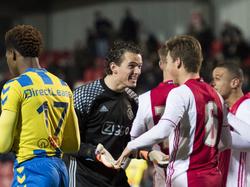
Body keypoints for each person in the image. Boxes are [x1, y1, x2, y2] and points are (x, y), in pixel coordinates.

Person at [115, 35, 235, 187]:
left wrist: (131, 145)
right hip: (213, 177)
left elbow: (163, 130)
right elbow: (226, 142)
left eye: (170, 60)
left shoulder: (180, 92)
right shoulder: (216, 94)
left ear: (177, 62)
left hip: (186, 177)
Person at [0, 25, 80, 187]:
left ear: (13, 54)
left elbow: (3, 144)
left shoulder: (15, 86)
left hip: (32, 170)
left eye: (7, 55)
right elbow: (73, 144)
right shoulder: (63, 86)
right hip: (60, 171)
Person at [65, 40, 143, 187]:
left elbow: (128, 143)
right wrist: (95, 152)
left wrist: (149, 154)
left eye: (139, 66)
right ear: (114, 67)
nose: (137, 71)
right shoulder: (85, 95)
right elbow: (66, 142)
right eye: (132, 66)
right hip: (85, 178)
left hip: (116, 177)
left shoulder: (133, 100)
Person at [130, 46, 177, 187]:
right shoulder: (198, 94)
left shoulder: (146, 99)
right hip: (199, 176)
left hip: (163, 175)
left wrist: (150, 154)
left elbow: (133, 140)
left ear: (161, 64)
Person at [212, 63, 250, 187]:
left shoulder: (246, 105)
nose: (213, 83)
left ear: (234, 83)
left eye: (218, 78)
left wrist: (225, 115)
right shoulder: (228, 110)